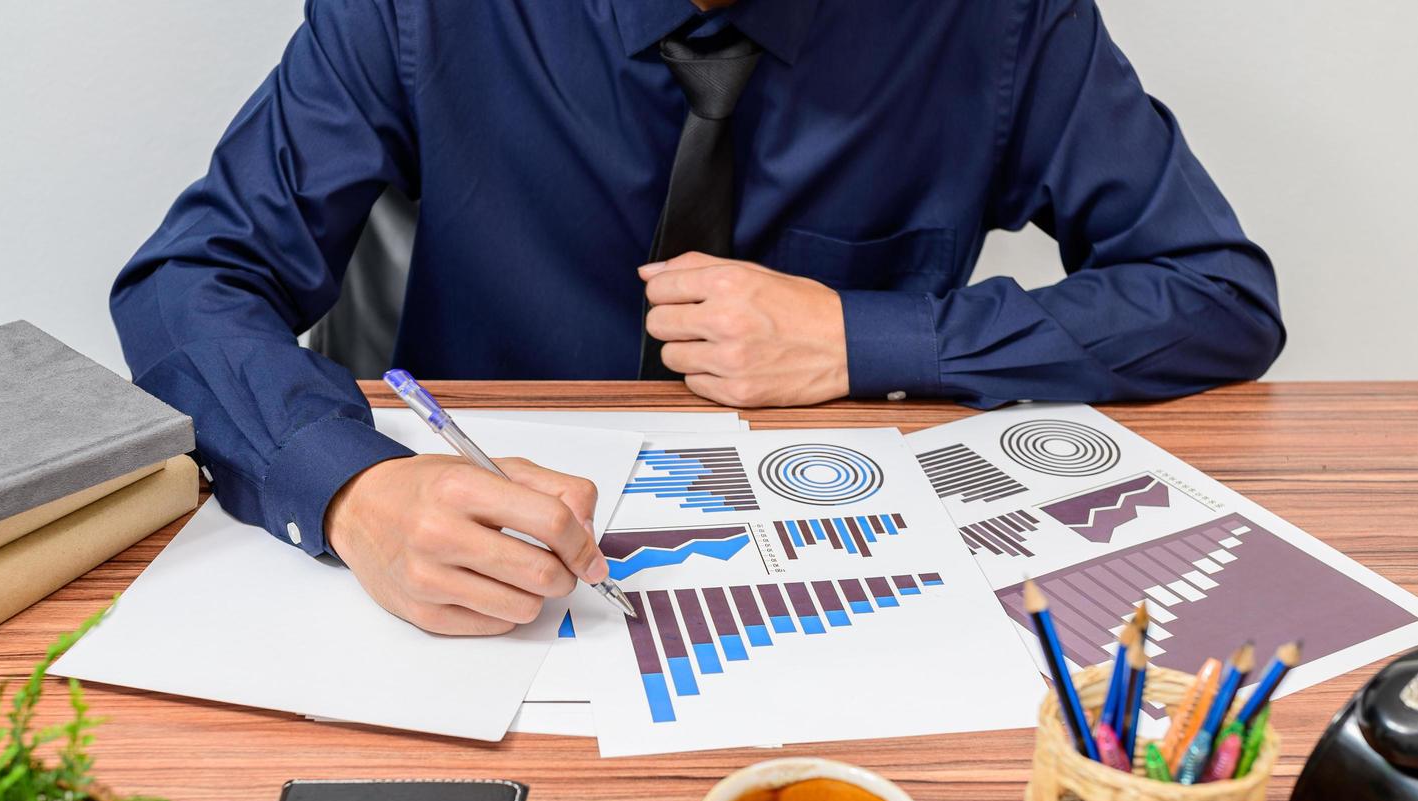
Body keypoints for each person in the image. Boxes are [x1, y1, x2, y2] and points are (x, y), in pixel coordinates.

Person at [112, 0, 1283, 636]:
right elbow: (188, 281)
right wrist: (353, 490)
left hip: (835, 588)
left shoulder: (998, 23)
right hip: (481, 590)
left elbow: (1215, 291)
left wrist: (869, 336)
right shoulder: (413, 11)